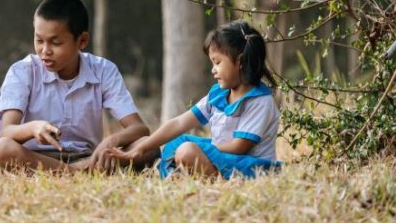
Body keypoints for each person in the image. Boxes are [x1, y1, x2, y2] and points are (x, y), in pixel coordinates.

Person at [0, 0, 157, 171]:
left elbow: (139, 128)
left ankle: (76, 169)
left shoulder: (103, 70)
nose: (44, 50)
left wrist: (111, 141)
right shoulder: (22, 71)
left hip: (88, 156)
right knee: (1, 149)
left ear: (82, 41)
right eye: (39, 40)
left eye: (55, 43)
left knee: (148, 146)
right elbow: (5, 132)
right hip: (36, 158)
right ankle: (75, 172)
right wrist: (32, 128)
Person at [109, 21, 281, 179]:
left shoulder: (260, 102)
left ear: (240, 61)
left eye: (217, 62)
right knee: (175, 143)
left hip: (252, 167)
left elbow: (239, 147)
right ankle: (173, 176)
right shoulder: (219, 95)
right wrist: (141, 149)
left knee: (186, 150)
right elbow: (179, 123)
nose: (213, 70)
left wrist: (200, 149)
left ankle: (218, 182)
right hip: (223, 158)